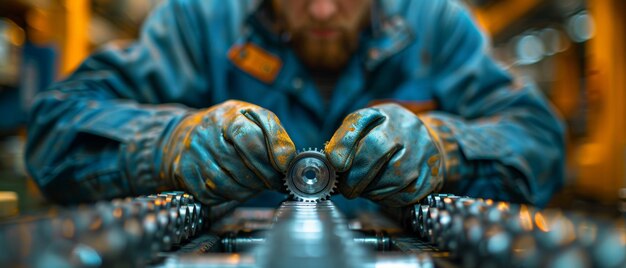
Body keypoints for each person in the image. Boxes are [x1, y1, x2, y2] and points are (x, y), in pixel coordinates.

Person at [25, 0, 564, 209]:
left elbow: (539, 138)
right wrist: (169, 143)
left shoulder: (437, 27)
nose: (324, 10)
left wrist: (448, 150)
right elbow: (56, 127)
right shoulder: (197, 22)